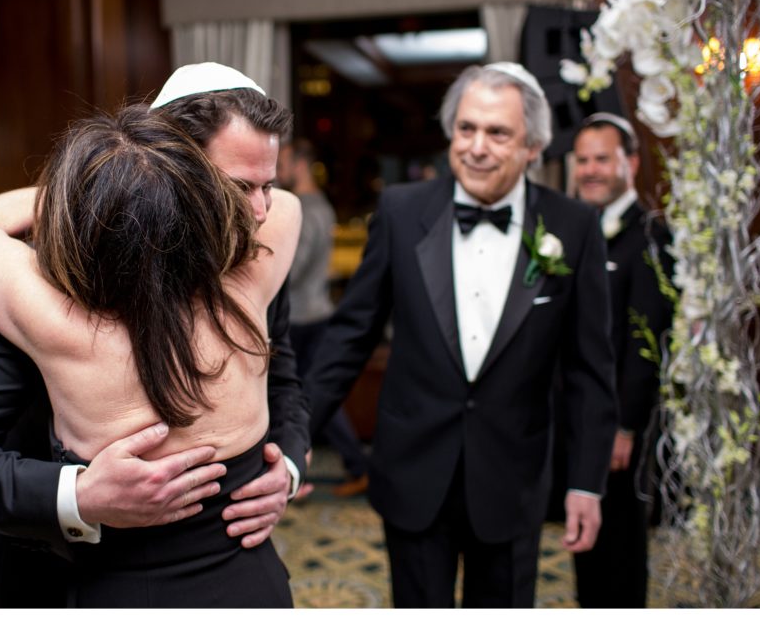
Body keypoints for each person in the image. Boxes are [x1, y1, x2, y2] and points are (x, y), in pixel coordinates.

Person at [0, 63, 309, 607]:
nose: (259, 211)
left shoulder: (248, 258)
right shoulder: (49, 281)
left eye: (269, 185)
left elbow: (282, 381)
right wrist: (78, 498)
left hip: (236, 557)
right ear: (174, 166)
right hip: (65, 578)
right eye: (238, 187)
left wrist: (288, 467)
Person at [304, 62, 618, 608]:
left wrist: (586, 481)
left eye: (498, 133)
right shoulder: (402, 212)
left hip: (513, 479)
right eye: (466, 129)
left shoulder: (573, 227)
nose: (477, 147)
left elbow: (590, 369)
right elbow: (351, 334)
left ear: (532, 147)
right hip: (413, 472)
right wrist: (296, 434)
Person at [566, 112, 674, 607]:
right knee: (588, 538)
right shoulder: (575, 229)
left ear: (630, 163)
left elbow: (644, 340)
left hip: (619, 428)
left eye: (601, 159)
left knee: (620, 545)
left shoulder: (649, 237)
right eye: (582, 160)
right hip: (579, 417)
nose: (589, 170)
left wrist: (625, 425)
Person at [276, 138, 368, 497]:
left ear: (300, 164)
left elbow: (292, 268)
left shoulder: (303, 208)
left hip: (302, 317)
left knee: (304, 395)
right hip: (315, 313)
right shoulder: (321, 206)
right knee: (312, 394)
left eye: (283, 161)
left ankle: (303, 464)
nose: (278, 168)